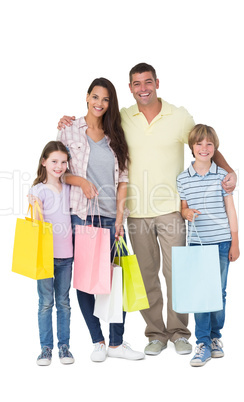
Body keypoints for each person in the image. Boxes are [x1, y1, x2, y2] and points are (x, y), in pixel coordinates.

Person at [57, 63, 237, 357]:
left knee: (177, 274)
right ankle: (155, 334)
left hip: (171, 210)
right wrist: (66, 120)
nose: (143, 88)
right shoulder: (123, 118)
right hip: (135, 212)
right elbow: (90, 132)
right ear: (130, 88)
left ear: (157, 83)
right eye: (137, 83)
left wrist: (229, 171)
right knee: (147, 276)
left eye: (148, 82)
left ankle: (179, 332)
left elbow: (204, 144)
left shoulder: (179, 116)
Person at [57, 77, 144, 362]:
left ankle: (117, 344)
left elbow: (123, 180)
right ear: (86, 97)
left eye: (105, 99)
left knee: (117, 278)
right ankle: (98, 340)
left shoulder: (115, 136)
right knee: (86, 281)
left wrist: (120, 217)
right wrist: (80, 181)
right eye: (95, 97)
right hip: (82, 216)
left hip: (111, 217)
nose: (99, 103)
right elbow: (57, 171)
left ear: (110, 103)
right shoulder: (68, 130)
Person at [177, 124, 239, 367]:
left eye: (209, 144)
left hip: (222, 243)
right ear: (192, 147)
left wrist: (235, 240)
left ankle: (215, 337)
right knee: (201, 295)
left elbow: (230, 210)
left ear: (215, 148)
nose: (204, 148)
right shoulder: (183, 178)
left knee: (219, 293)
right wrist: (186, 212)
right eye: (199, 144)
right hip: (197, 245)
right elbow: (183, 208)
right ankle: (202, 341)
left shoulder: (222, 176)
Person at [29, 141, 74, 366]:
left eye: (63, 162)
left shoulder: (69, 188)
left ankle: (64, 346)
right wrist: (34, 206)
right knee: (46, 302)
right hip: (44, 255)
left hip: (67, 255)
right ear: (44, 162)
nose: (59, 166)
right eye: (54, 161)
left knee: (64, 302)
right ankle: (45, 348)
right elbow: (37, 223)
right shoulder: (38, 190)